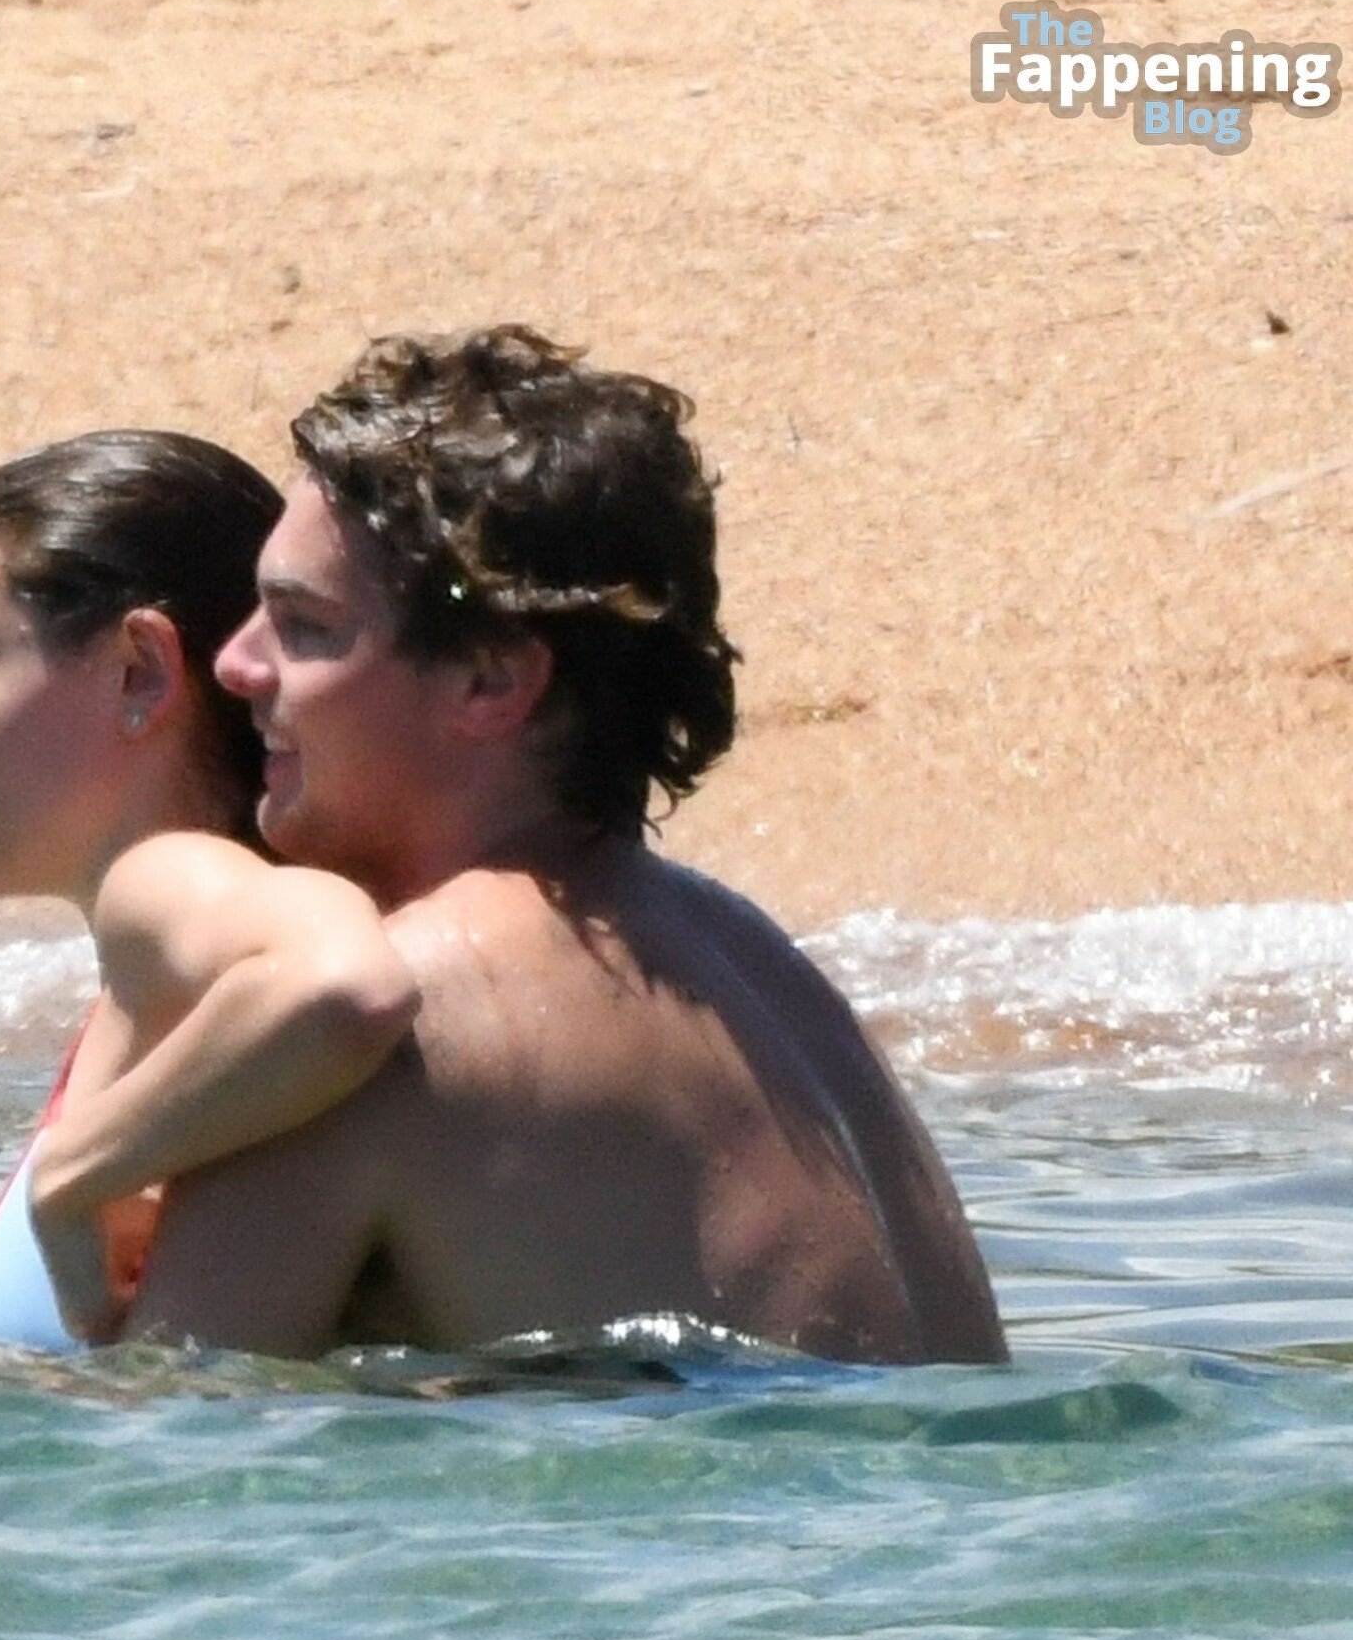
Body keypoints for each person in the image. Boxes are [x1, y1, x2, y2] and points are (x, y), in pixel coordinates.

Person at [117, 326, 1008, 1366]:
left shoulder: (370, 1025)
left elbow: (160, 1419)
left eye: (303, 625)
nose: (235, 664)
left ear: (491, 679)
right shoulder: (769, 976)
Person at [0, 431, 418, 1348]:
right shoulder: (170, 971)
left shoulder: (167, 879)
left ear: (140, 670)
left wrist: (71, 1172)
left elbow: (342, 982)